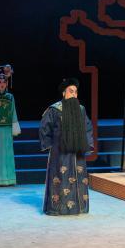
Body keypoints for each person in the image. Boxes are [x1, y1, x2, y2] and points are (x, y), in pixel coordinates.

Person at [39, 78, 94, 215]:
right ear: (64, 93)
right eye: (71, 91)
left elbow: (87, 127)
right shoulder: (54, 109)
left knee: (79, 176)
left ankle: (80, 207)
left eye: (76, 92)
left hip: (77, 150)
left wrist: (87, 144)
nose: (74, 94)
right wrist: (50, 146)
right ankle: (58, 208)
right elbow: (45, 128)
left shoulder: (81, 109)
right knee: (60, 177)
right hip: (60, 150)